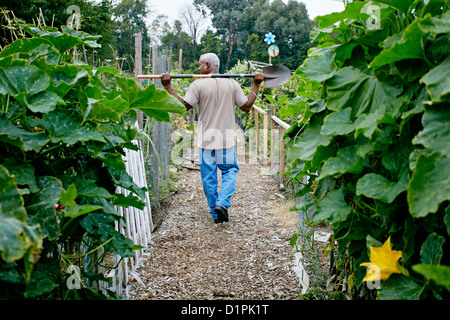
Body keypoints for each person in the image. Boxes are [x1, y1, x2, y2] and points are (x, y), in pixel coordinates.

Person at [161, 53, 264, 224]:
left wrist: (168, 87)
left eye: (200, 65)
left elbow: (183, 107)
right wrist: (256, 84)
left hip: (206, 141)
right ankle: (222, 204)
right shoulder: (232, 83)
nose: (198, 68)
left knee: (209, 177)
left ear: (208, 65)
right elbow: (246, 107)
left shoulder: (198, 85)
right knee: (230, 171)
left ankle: (215, 213)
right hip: (226, 141)